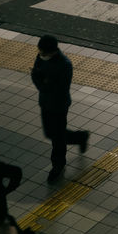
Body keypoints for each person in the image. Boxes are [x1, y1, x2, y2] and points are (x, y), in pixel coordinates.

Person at [31, 35, 90, 183]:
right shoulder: (41, 57)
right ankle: (80, 137)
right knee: (50, 133)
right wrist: (42, 80)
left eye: (44, 52)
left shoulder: (64, 64)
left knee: (57, 137)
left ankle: (58, 165)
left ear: (53, 51)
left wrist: (40, 81)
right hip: (45, 102)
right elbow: (42, 80)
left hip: (59, 105)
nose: (41, 54)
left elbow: (59, 88)